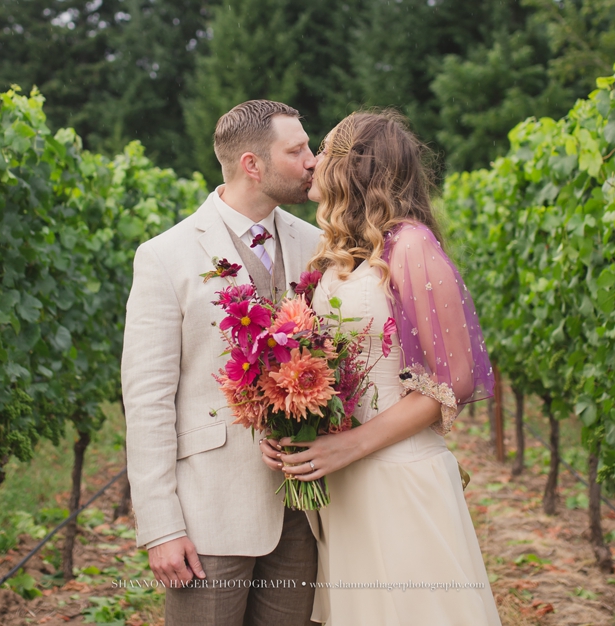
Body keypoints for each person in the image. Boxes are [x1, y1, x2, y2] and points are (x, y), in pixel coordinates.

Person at [260, 111, 503, 625]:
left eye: (324, 149)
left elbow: (454, 382)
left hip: (397, 474)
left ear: (354, 164)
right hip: (346, 481)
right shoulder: (342, 252)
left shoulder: (411, 244)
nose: (314, 161)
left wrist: (348, 445)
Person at [122, 100, 323, 625]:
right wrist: (161, 526)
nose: (313, 160)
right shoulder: (165, 256)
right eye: (297, 149)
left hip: (305, 507)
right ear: (252, 164)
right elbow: (146, 399)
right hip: (209, 508)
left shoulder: (318, 244)